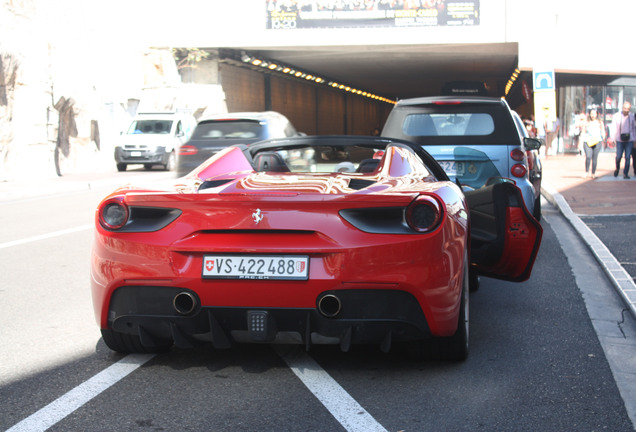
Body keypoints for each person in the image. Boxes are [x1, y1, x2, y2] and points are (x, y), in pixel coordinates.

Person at [610, 101, 635, 179]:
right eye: (625, 108)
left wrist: (634, 139)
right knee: (619, 156)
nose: (626, 110)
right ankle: (617, 168)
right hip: (619, 139)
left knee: (628, 157)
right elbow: (613, 127)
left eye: (628, 109)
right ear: (622, 108)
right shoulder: (616, 116)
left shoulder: (632, 116)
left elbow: (634, 128)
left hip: (629, 139)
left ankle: (625, 173)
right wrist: (612, 138)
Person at [581, 109, 604, 178]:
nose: (593, 115)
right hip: (587, 141)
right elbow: (583, 131)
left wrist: (604, 137)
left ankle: (593, 173)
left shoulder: (599, 122)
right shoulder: (586, 122)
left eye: (594, 114)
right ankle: (586, 172)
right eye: (591, 114)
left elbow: (602, 130)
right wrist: (581, 140)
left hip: (597, 141)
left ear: (596, 114)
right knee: (588, 156)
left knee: (595, 157)